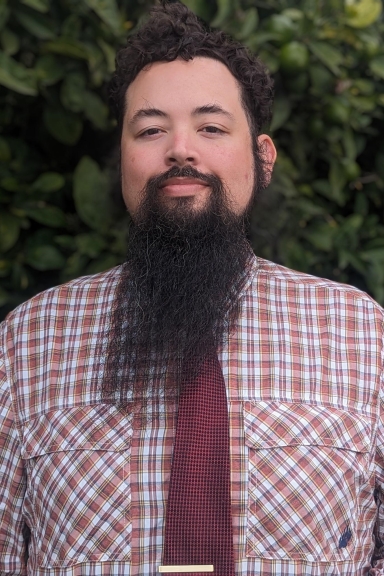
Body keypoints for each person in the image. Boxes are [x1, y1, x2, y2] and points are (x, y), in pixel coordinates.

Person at [1, 1, 384, 575]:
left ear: (263, 157)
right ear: (124, 162)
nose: (180, 149)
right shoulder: (26, 342)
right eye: (151, 129)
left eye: (211, 127)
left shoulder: (362, 334)